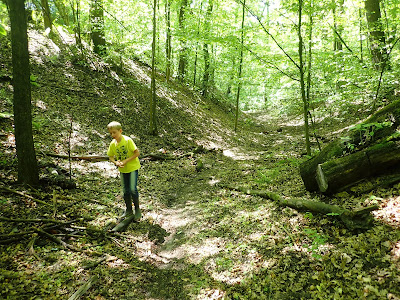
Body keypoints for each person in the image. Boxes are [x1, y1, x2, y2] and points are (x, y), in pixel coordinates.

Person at [107, 121, 141, 220]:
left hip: (133, 168)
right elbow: (110, 156)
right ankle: (129, 209)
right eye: (111, 133)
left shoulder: (127, 140)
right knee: (125, 190)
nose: (112, 135)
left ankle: (137, 209)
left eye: (114, 132)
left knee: (132, 189)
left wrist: (126, 161)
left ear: (120, 131)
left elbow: (137, 153)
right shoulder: (113, 144)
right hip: (123, 170)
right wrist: (116, 162)